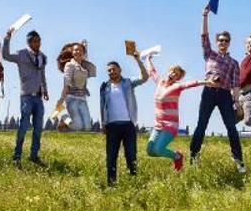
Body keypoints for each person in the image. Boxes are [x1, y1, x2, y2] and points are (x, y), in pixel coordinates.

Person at [189, 5, 246, 173]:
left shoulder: (234, 63)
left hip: (224, 95)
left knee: (231, 127)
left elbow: (236, 84)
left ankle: (238, 159)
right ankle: (194, 156)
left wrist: (237, 102)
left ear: (229, 43)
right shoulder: (209, 54)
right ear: (217, 42)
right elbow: (204, 36)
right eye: (220, 40)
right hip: (208, 92)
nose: (223, 43)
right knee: (202, 125)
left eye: (226, 41)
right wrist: (204, 16)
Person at [144, 55, 210, 172]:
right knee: (150, 151)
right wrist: (148, 58)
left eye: (177, 75)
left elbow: (188, 84)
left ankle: (177, 156)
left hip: (170, 125)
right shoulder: (160, 82)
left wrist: (206, 82)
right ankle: (175, 156)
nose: (173, 74)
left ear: (178, 78)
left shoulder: (176, 86)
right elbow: (151, 71)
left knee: (158, 150)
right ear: (169, 71)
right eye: (173, 71)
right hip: (158, 125)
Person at [98, 51, 149, 185]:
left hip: (128, 125)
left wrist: (138, 60)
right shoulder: (104, 87)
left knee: (131, 155)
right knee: (111, 157)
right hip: (112, 126)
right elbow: (102, 106)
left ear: (120, 70)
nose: (111, 72)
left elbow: (145, 78)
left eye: (114, 69)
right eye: (109, 70)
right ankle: (111, 184)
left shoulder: (128, 82)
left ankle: (133, 183)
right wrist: (103, 123)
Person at [3, 29, 48, 168]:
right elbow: (6, 56)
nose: (37, 43)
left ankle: (33, 156)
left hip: (38, 97)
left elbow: (42, 74)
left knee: (38, 128)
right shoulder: (21, 54)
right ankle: (17, 156)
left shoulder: (42, 57)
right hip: (26, 96)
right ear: (29, 42)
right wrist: (7, 39)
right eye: (34, 41)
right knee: (23, 126)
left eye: (38, 41)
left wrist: (45, 89)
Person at [56, 41, 97, 131]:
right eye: (75, 50)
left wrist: (85, 46)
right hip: (71, 98)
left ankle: (66, 127)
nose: (78, 52)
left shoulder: (83, 66)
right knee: (78, 126)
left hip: (82, 98)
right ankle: (64, 117)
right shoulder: (69, 65)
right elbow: (66, 84)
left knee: (87, 128)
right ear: (72, 52)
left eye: (80, 50)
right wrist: (61, 100)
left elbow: (85, 57)